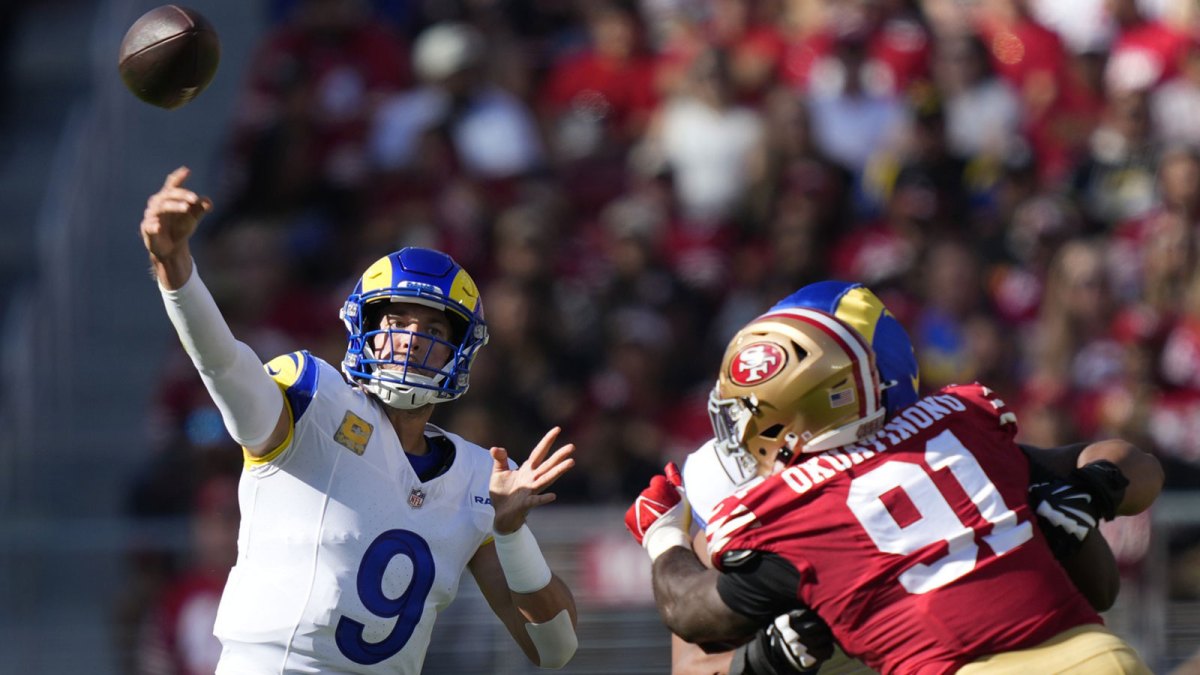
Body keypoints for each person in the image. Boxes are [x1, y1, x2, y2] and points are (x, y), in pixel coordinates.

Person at [140, 166, 579, 673]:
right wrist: (175, 268)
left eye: (433, 327)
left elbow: (555, 650)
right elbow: (223, 365)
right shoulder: (311, 400)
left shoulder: (482, 480)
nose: (412, 339)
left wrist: (511, 533)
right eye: (396, 322)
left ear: (460, 352)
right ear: (365, 328)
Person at [632, 309, 1162, 674]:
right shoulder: (960, 434)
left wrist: (661, 534)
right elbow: (1131, 485)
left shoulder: (781, 514)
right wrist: (1093, 492)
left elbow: (692, 612)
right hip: (1101, 656)